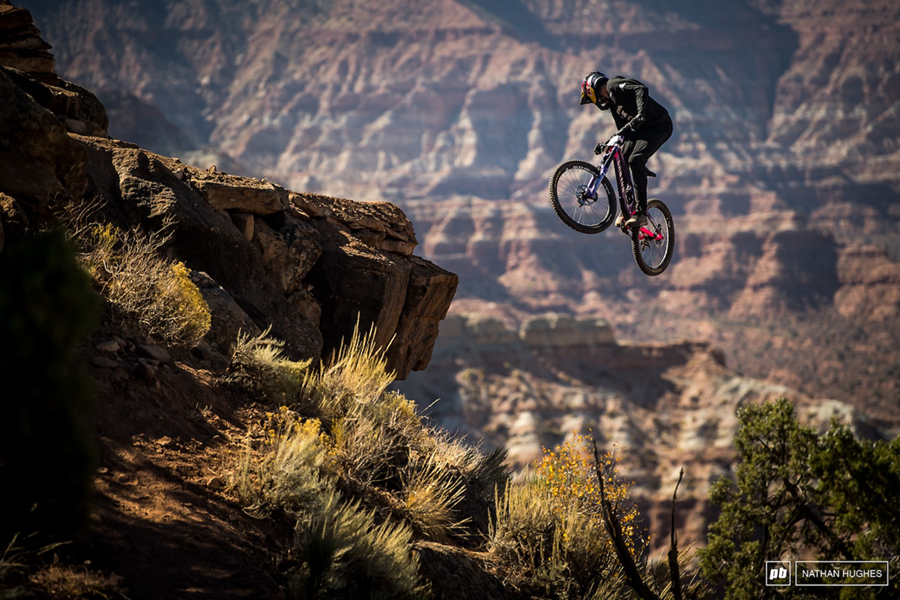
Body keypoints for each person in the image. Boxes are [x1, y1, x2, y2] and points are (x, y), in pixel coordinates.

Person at [580, 71, 673, 227]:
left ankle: (641, 213)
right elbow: (624, 131)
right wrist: (608, 142)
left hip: (659, 125)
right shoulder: (613, 106)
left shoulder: (613, 85)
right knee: (623, 156)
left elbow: (641, 89)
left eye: (591, 99)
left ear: (592, 90)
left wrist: (641, 114)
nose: (597, 103)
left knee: (635, 160)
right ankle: (628, 208)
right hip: (641, 131)